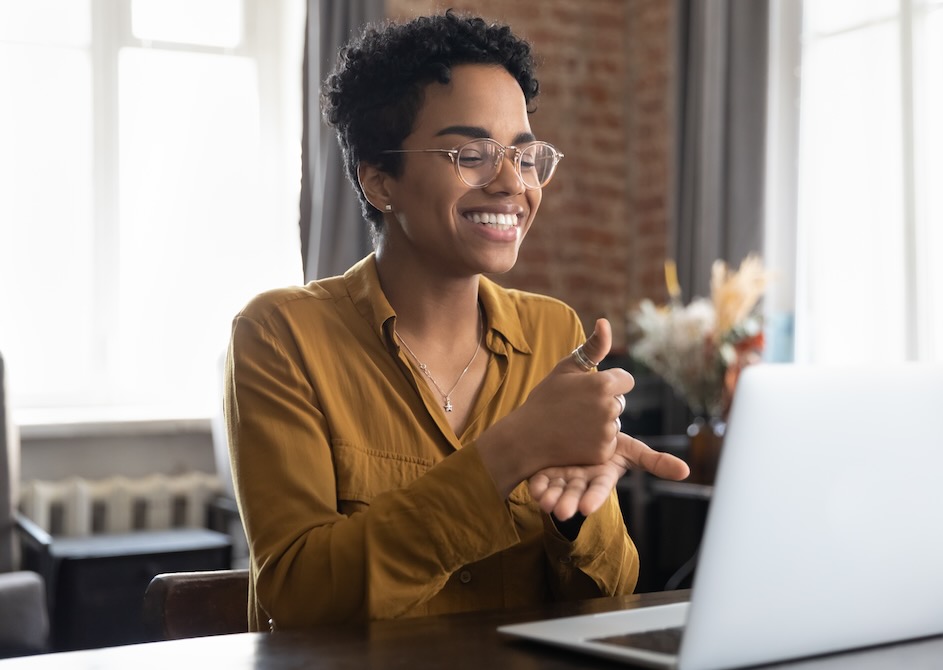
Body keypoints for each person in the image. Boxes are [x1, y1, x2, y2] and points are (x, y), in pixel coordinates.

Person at [224, 11, 689, 631]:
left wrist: (577, 515)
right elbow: (300, 597)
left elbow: (611, 595)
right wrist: (507, 453)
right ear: (379, 178)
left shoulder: (556, 336)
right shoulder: (281, 336)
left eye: (525, 158)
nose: (510, 184)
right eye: (471, 154)